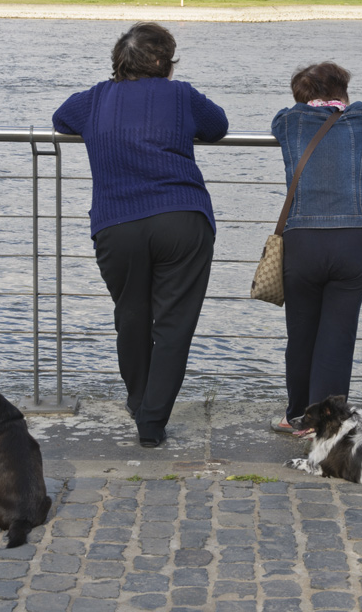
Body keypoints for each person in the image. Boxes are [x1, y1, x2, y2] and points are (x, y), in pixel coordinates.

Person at [52, 22, 229, 449]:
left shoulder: (93, 99)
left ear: (118, 65)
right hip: (181, 218)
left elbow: (60, 118)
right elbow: (218, 126)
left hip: (117, 223)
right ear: (167, 64)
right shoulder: (181, 94)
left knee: (131, 315)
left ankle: (137, 400)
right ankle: (151, 421)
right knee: (174, 323)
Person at [269, 62, 362, 436]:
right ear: (343, 93)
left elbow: (280, 118)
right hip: (354, 239)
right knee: (337, 335)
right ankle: (327, 424)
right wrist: (346, 106)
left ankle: (297, 417)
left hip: (303, 238)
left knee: (301, 332)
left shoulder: (289, 123)